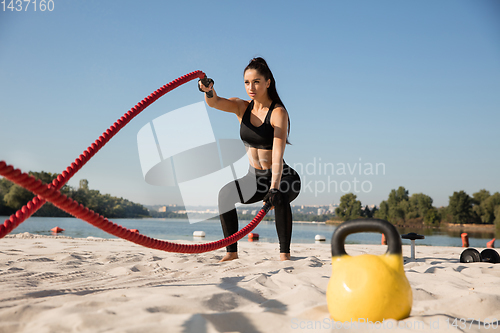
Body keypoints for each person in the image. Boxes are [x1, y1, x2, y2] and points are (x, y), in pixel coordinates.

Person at [198, 57, 301, 261]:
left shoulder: (278, 112)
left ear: (267, 82)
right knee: (225, 194)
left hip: (283, 177)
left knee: (279, 197)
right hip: (254, 178)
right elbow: (215, 103)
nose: (250, 87)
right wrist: (208, 90)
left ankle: (284, 255)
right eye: (246, 82)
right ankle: (232, 252)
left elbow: (278, 154)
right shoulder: (241, 107)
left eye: (256, 82)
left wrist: (274, 187)